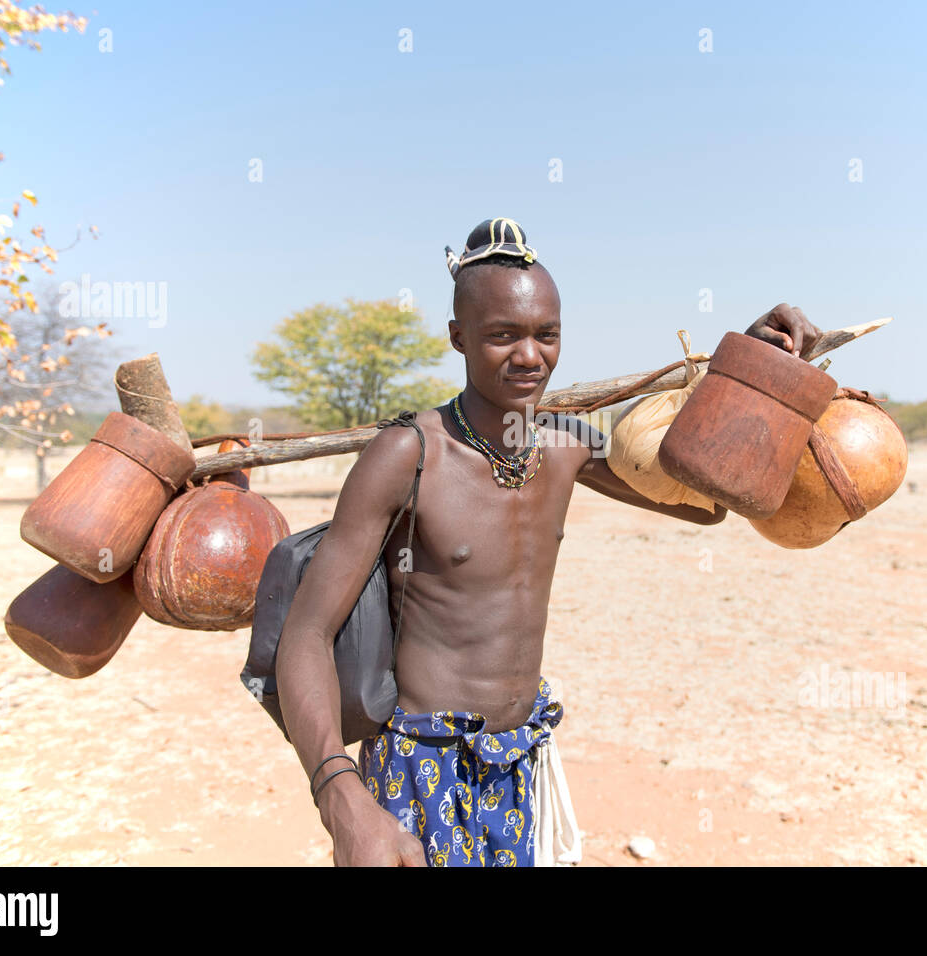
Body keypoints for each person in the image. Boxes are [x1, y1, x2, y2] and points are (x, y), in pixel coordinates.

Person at [275, 217, 821, 866]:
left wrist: (748, 368)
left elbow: (703, 500)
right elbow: (305, 634)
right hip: (419, 769)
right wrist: (341, 797)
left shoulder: (568, 447)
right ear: (459, 337)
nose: (529, 356)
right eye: (503, 335)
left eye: (546, 335)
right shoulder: (408, 455)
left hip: (520, 762)